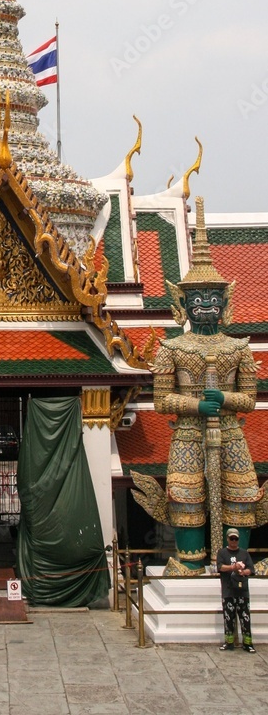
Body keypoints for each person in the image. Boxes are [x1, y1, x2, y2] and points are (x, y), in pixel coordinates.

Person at [151, 198, 262, 573]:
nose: (205, 306)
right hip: (186, 432)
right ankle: (191, 562)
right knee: (185, 496)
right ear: (181, 302)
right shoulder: (172, 348)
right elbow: (161, 400)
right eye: (196, 299)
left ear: (224, 301)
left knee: (243, 494)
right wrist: (196, 406)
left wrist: (226, 398)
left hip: (230, 431)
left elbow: (249, 398)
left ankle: (238, 560)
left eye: (213, 298)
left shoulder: (238, 348)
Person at [217, 527, 256, 652]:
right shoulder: (222, 553)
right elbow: (220, 567)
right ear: (227, 539)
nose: (234, 541)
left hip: (242, 590)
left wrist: (243, 571)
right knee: (229, 617)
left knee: (245, 618)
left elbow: (251, 569)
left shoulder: (244, 553)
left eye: (236, 539)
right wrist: (233, 567)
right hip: (228, 590)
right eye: (231, 538)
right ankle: (229, 642)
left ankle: (247, 643)